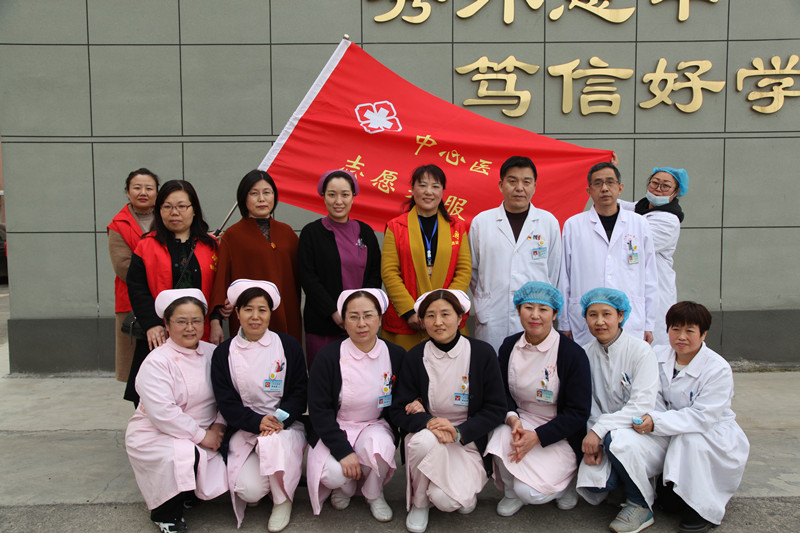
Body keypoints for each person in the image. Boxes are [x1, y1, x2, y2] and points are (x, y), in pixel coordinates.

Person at [388, 289, 505, 533]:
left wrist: (460, 432)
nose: (438, 322)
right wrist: (429, 422)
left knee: (446, 500)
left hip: (467, 440)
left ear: (460, 318)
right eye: (430, 316)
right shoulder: (415, 356)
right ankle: (420, 502)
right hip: (429, 434)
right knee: (421, 442)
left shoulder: (482, 353)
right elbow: (398, 409)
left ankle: (457, 492)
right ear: (422, 321)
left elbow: (496, 408)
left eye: (445, 314)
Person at [635, 302, 749, 532]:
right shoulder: (656, 355)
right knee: (669, 504)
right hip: (669, 424)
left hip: (710, 432)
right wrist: (654, 417)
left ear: (703, 334)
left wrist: (658, 422)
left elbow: (703, 417)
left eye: (690, 331)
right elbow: (653, 395)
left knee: (689, 440)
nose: (681, 337)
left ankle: (703, 509)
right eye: (675, 329)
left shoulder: (717, 369)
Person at [125, 289, 227, 533]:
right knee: (182, 455)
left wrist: (219, 425)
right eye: (181, 321)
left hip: (208, 429)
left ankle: (188, 492)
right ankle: (166, 514)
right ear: (167, 324)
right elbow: (163, 413)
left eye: (196, 321)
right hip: (157, 432)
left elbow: (229, 395)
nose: (190, 328)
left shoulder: (213, 353)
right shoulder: (157, 361)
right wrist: (203, 436)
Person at [486, 281, 591, 517]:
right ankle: (511, 493)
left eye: (543, 309)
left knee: (531, 493)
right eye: (528, 307)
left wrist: (539, 436)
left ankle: (567, 483)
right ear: (518, 309)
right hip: (521, 422)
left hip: (559, 433)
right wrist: (512, 419)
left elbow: (578, 412)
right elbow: (499, 391)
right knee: (499, 432)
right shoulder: (510, 346)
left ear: (555, 314)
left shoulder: (572, 354)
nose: (535, 315)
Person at [210, 280, 307, 532]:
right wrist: (256, 422)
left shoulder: (287, 346)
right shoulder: (223, 353)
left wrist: (278, 420)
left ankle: (282, 500)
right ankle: (269, 480)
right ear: (237, 313)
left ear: (270, 313)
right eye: (248, 309)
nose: (255, 316)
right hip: (244, 428)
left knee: (272, 443)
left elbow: (299, 392)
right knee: (249, 491)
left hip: (283, 427)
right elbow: (226, 401)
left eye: (262, 310)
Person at [306, 289, 404, 522]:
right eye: (353, 316)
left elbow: (402, 400)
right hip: (336, 425)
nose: (361, 324)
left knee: (381, 450)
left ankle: (373, 493)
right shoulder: (328, 356)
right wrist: (343, 452)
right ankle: (345, 486)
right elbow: (319, 410)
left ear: (379, 318)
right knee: (332, 474)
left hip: (375, 424)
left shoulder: (396, 355)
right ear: (344, 321)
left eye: (368, 315)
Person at [575, 288, 668, 533]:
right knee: (595, 486)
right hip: (603, 434)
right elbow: (589, 404)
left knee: (618, 442)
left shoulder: (641, 351)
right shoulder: (585, 354)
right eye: (593, 315)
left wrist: (599, 430)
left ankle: (640, 505)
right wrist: (594, 438)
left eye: (607, 314)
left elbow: (642, 406)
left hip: (643, 433)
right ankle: (622, 480)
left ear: (621, 316)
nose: (600, 321)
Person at [125, 180, 218, 406]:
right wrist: (152, 324)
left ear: (194, 209)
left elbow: (218, 288)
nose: (174, 212)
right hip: (161, 332)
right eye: (167, 207)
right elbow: (137, 288)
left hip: (200, 331)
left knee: (202, 391)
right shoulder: (147, 245)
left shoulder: (211, 245)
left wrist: (216, 318)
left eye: (181, 206)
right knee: (157, 393)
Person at [558, 162, 658, 347]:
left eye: (610, 182)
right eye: (598, 183)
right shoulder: (574, 225)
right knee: (589, 362)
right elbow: (564, 277)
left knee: (627, 361)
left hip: (630, 319)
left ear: (620, 188)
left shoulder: (639, 224)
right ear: (589, 190)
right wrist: (564, 323)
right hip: (585, 320)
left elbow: (650, 276)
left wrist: (649, 323)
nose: (604, 188)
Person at [469, 156, 562, 352]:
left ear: (534, 186)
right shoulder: (481, 222)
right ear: (501, 185)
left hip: (535, 316)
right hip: (493, 315)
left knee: (533, 365)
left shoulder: (548, 222)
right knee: (493, 366)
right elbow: (473, 272)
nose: (519, 188)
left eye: (526, 182)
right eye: (512, 181)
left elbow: (553, 273)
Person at [381, 164, 471, 350]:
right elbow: (389, 272)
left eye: (435, 186)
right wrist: (409, 312)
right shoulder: (396, 226)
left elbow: (463, 270)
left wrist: (445, 309)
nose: (428, 191)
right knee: (407, 366)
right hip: (407, 321)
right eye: (422, 185)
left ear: (442, 191)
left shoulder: (457, 227)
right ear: (412, 189)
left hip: (447, 320)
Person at [298, 170, 382, 368]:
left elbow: (374, 274)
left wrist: (359, 312)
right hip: (323, 324)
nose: (338, 201)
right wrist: (334, 312)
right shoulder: (311, 233)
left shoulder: (365, 232)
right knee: (325, 377)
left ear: (353, 196)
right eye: (332, 194)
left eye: (345, 194)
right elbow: (308, 278)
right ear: (323, 196)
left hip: (360, 324)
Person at [210, 170, 302, 345]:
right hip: (250, 317)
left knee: (286, 354)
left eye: (267, 192)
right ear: (243, 198)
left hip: (285, 311)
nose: (261, 199)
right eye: (254, 193)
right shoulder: (233, 235)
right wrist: (217, 315)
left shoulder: (287, 233)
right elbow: (221, 278)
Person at [620, 167, 689, 346]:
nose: (658, 189)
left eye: (665, 186)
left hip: (656, 290)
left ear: (675, 193)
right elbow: (613, 203)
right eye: (655, 183)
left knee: (653, 346)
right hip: (633, 288)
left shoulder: (668, 221)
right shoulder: (640, 208)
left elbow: (633, 244)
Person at [108, 168, 159, 382]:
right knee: (136, 368)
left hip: (165, 298)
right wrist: (162, 273)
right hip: (132, 301)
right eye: (137, 188)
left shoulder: (168, 217)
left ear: (157, 192)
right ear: (128, 192)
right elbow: (123, 267)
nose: (143, 192)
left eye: (149, 188)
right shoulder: (118, 224)